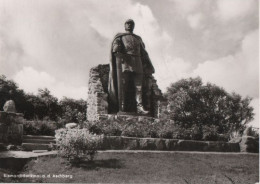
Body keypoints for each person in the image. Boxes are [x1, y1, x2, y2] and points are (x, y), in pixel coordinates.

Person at [108, 19, 155, 115]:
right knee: (123, 86)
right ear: (124, 25)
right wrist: (118, 50)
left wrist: (146, 64)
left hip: (138, 64)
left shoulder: (138, 38)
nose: (129, 25)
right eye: (128, 23)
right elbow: (116, 50)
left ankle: (139, 107)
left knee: (139, 87)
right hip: (125, 64)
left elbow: (143, 53)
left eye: (131, 24)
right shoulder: (120, 37)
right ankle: (122, 107)